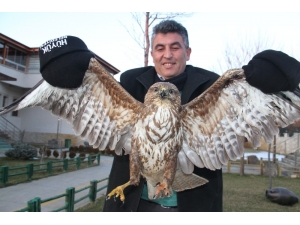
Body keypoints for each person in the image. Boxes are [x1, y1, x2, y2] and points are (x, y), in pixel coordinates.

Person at [103, 19, 300, 212]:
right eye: (160, 48)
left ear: (187, 53)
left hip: (190, 206)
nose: (168, 55)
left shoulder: (212, 86)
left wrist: (280, 79)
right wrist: (76, 63)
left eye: (175, 47)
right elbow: (93, 98)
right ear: (152, 53)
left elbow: (247, 117)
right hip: (135, 205)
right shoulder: (130, 83)